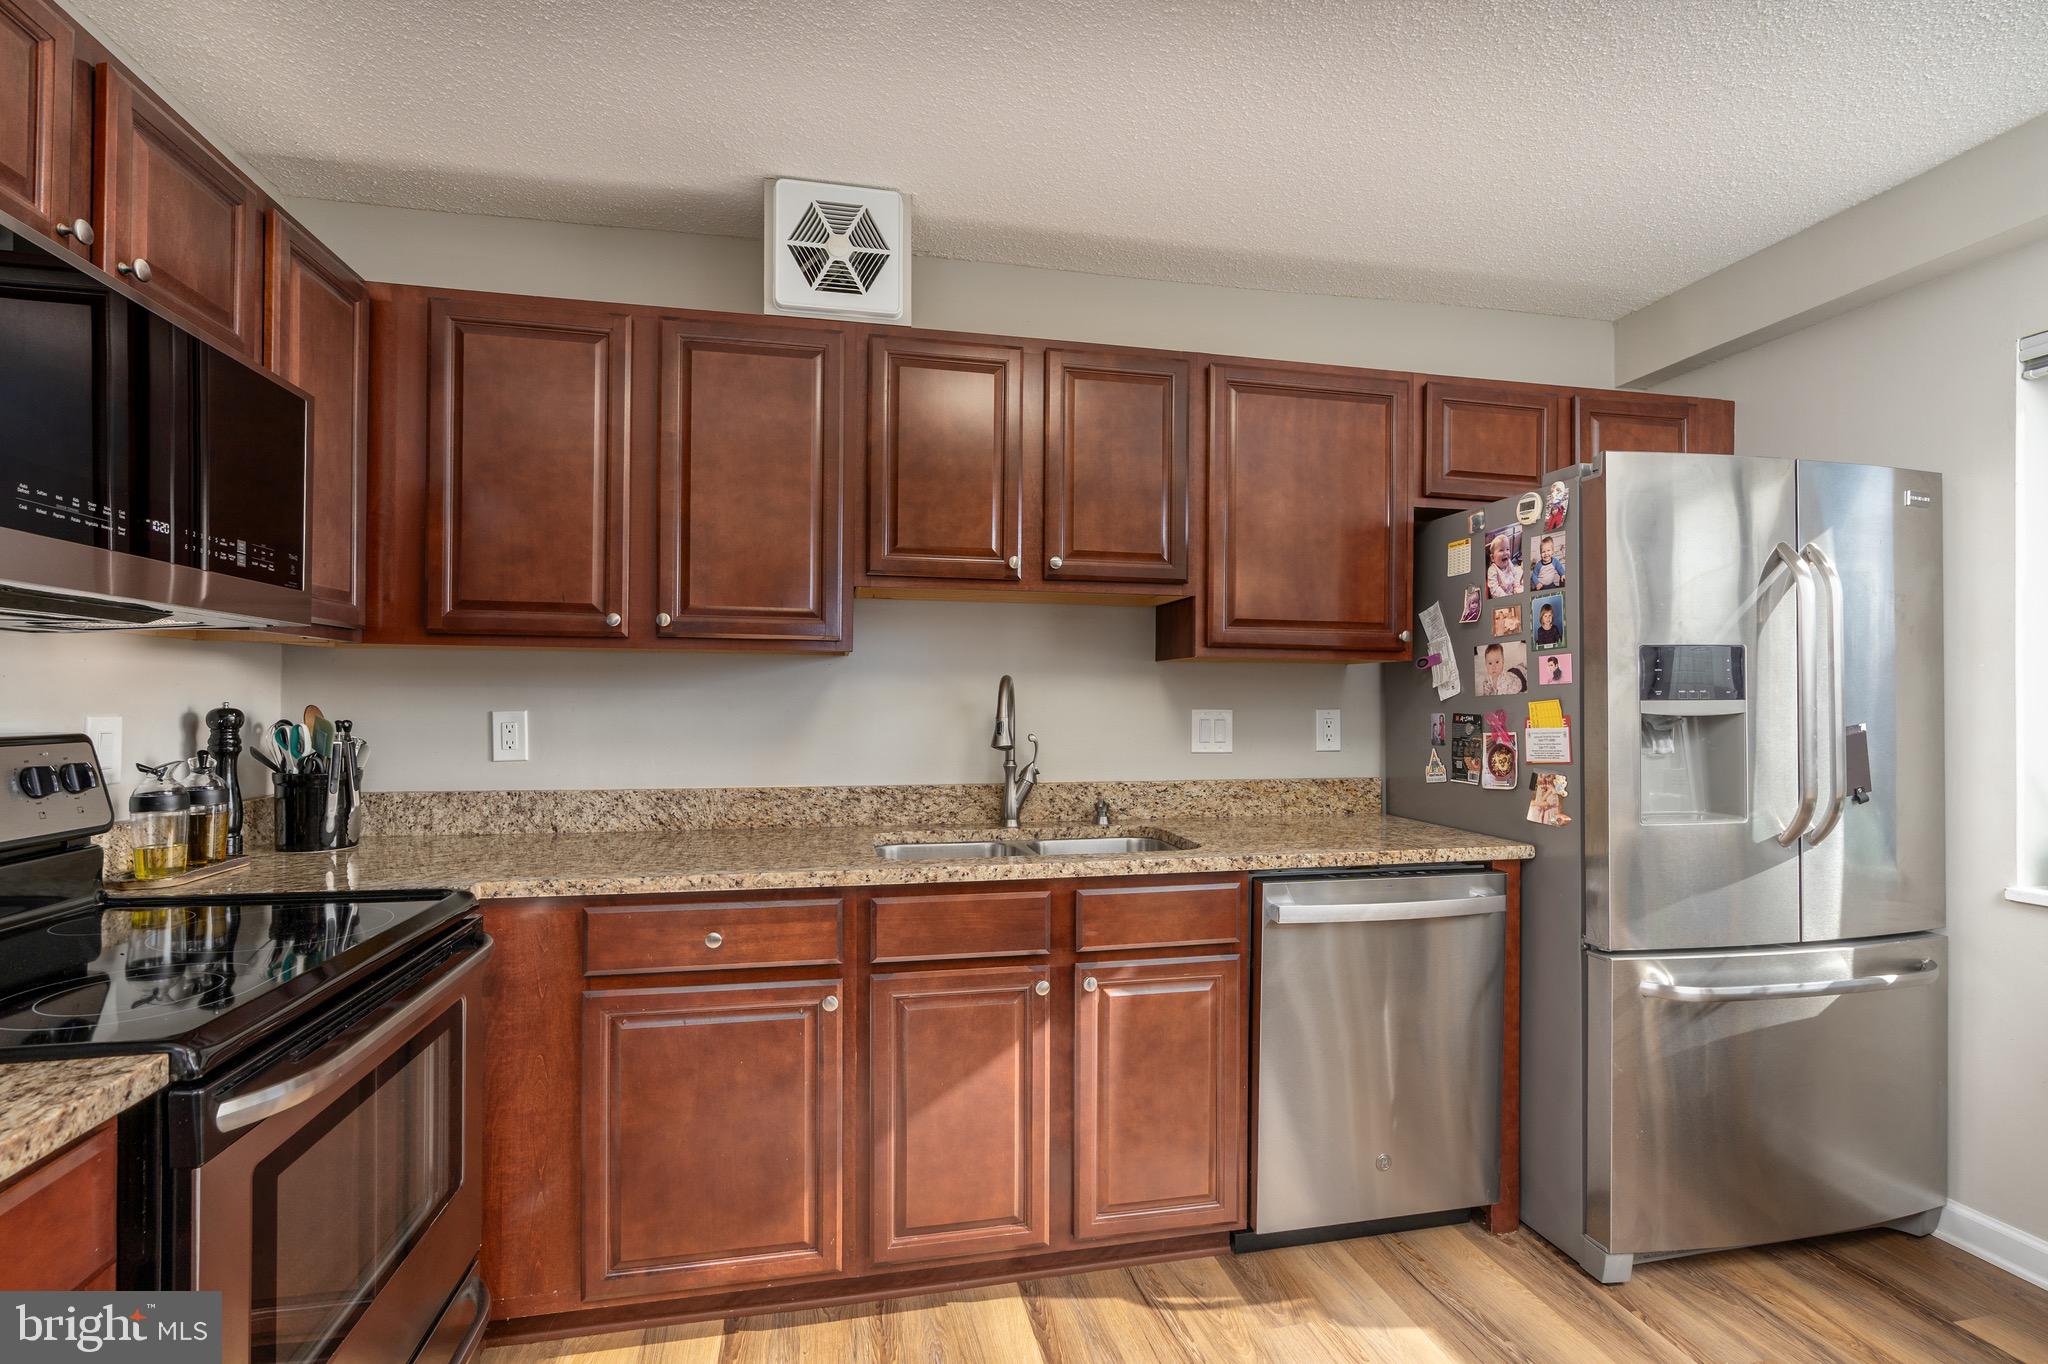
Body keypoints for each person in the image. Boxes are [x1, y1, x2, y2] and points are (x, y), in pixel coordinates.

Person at [1486, 531, 1523, 598]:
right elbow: (1494, 589)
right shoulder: (1492, 570)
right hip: (1502, 596)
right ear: (1492, 558)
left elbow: (1515, 574)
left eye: (1507, 549)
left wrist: (1516, 586)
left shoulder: (1509, 562)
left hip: (1513, 590)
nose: (1506, 552)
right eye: (1501, 550)